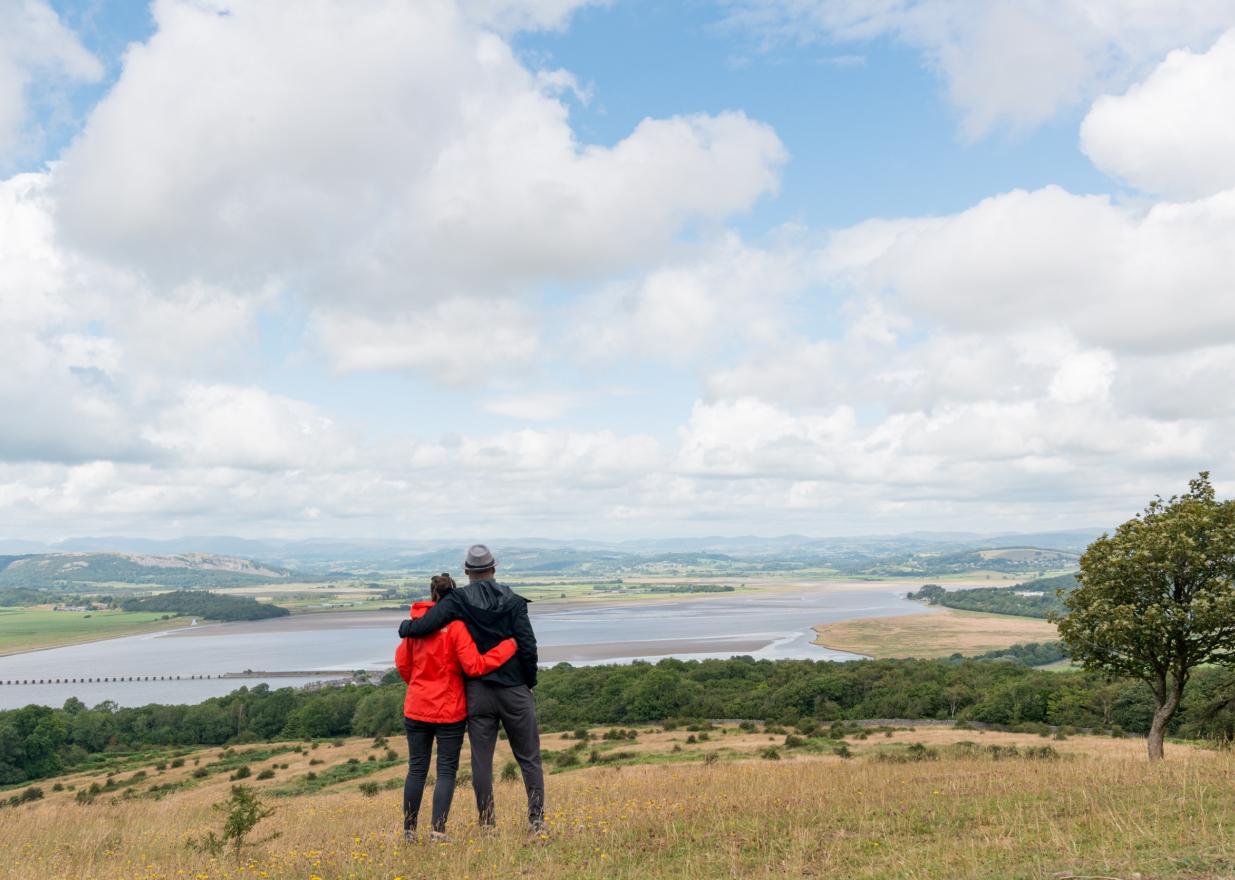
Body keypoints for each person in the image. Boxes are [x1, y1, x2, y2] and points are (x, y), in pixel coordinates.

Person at [398, 544, 545, 833]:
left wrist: (405, 627)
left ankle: (488, 824)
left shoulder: (458, 600)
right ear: (494, 568)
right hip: (514, 688)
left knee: (481, 762)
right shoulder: (514, 601)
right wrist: (529, 683)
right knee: (529, 757)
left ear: (467, 571)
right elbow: (528, 647)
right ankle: (536, 821)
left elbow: (426, 624)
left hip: (478, 692)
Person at [394, 573, 516, 842]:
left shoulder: (416, 626)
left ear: (432, 594)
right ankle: (438, 831)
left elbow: (403, 664)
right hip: (449, 709)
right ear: (455, 594)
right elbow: (475, 665)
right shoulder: (457, 627)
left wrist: (417, 685)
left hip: (416, 706)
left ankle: (409, 831)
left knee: (416, 769)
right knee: (446, 771)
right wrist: (509, 646)